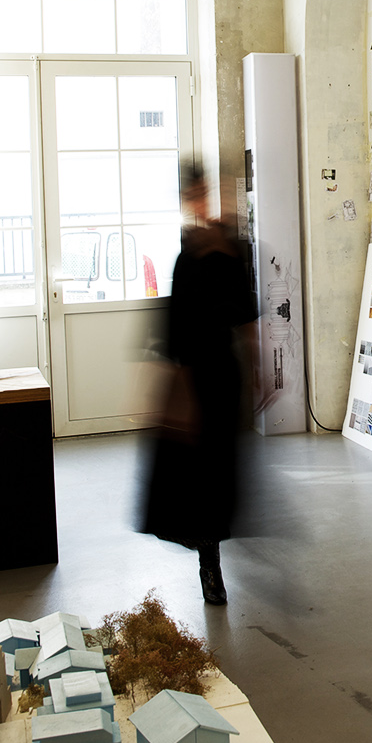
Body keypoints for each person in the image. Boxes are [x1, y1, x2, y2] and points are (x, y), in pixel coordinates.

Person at [142, 160, 259, 605]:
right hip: (196, 374)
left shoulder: (233, 248)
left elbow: (246, 311)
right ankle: (209, 564)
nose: (202, 201)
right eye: (194, 194)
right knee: (201, 474)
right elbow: (174, 329)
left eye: (205, 191)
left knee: (219, 469)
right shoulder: (186, 258)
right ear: (186, 200)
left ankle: (211, 552)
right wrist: (177, 388)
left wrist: (259, 368)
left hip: (223, 374)